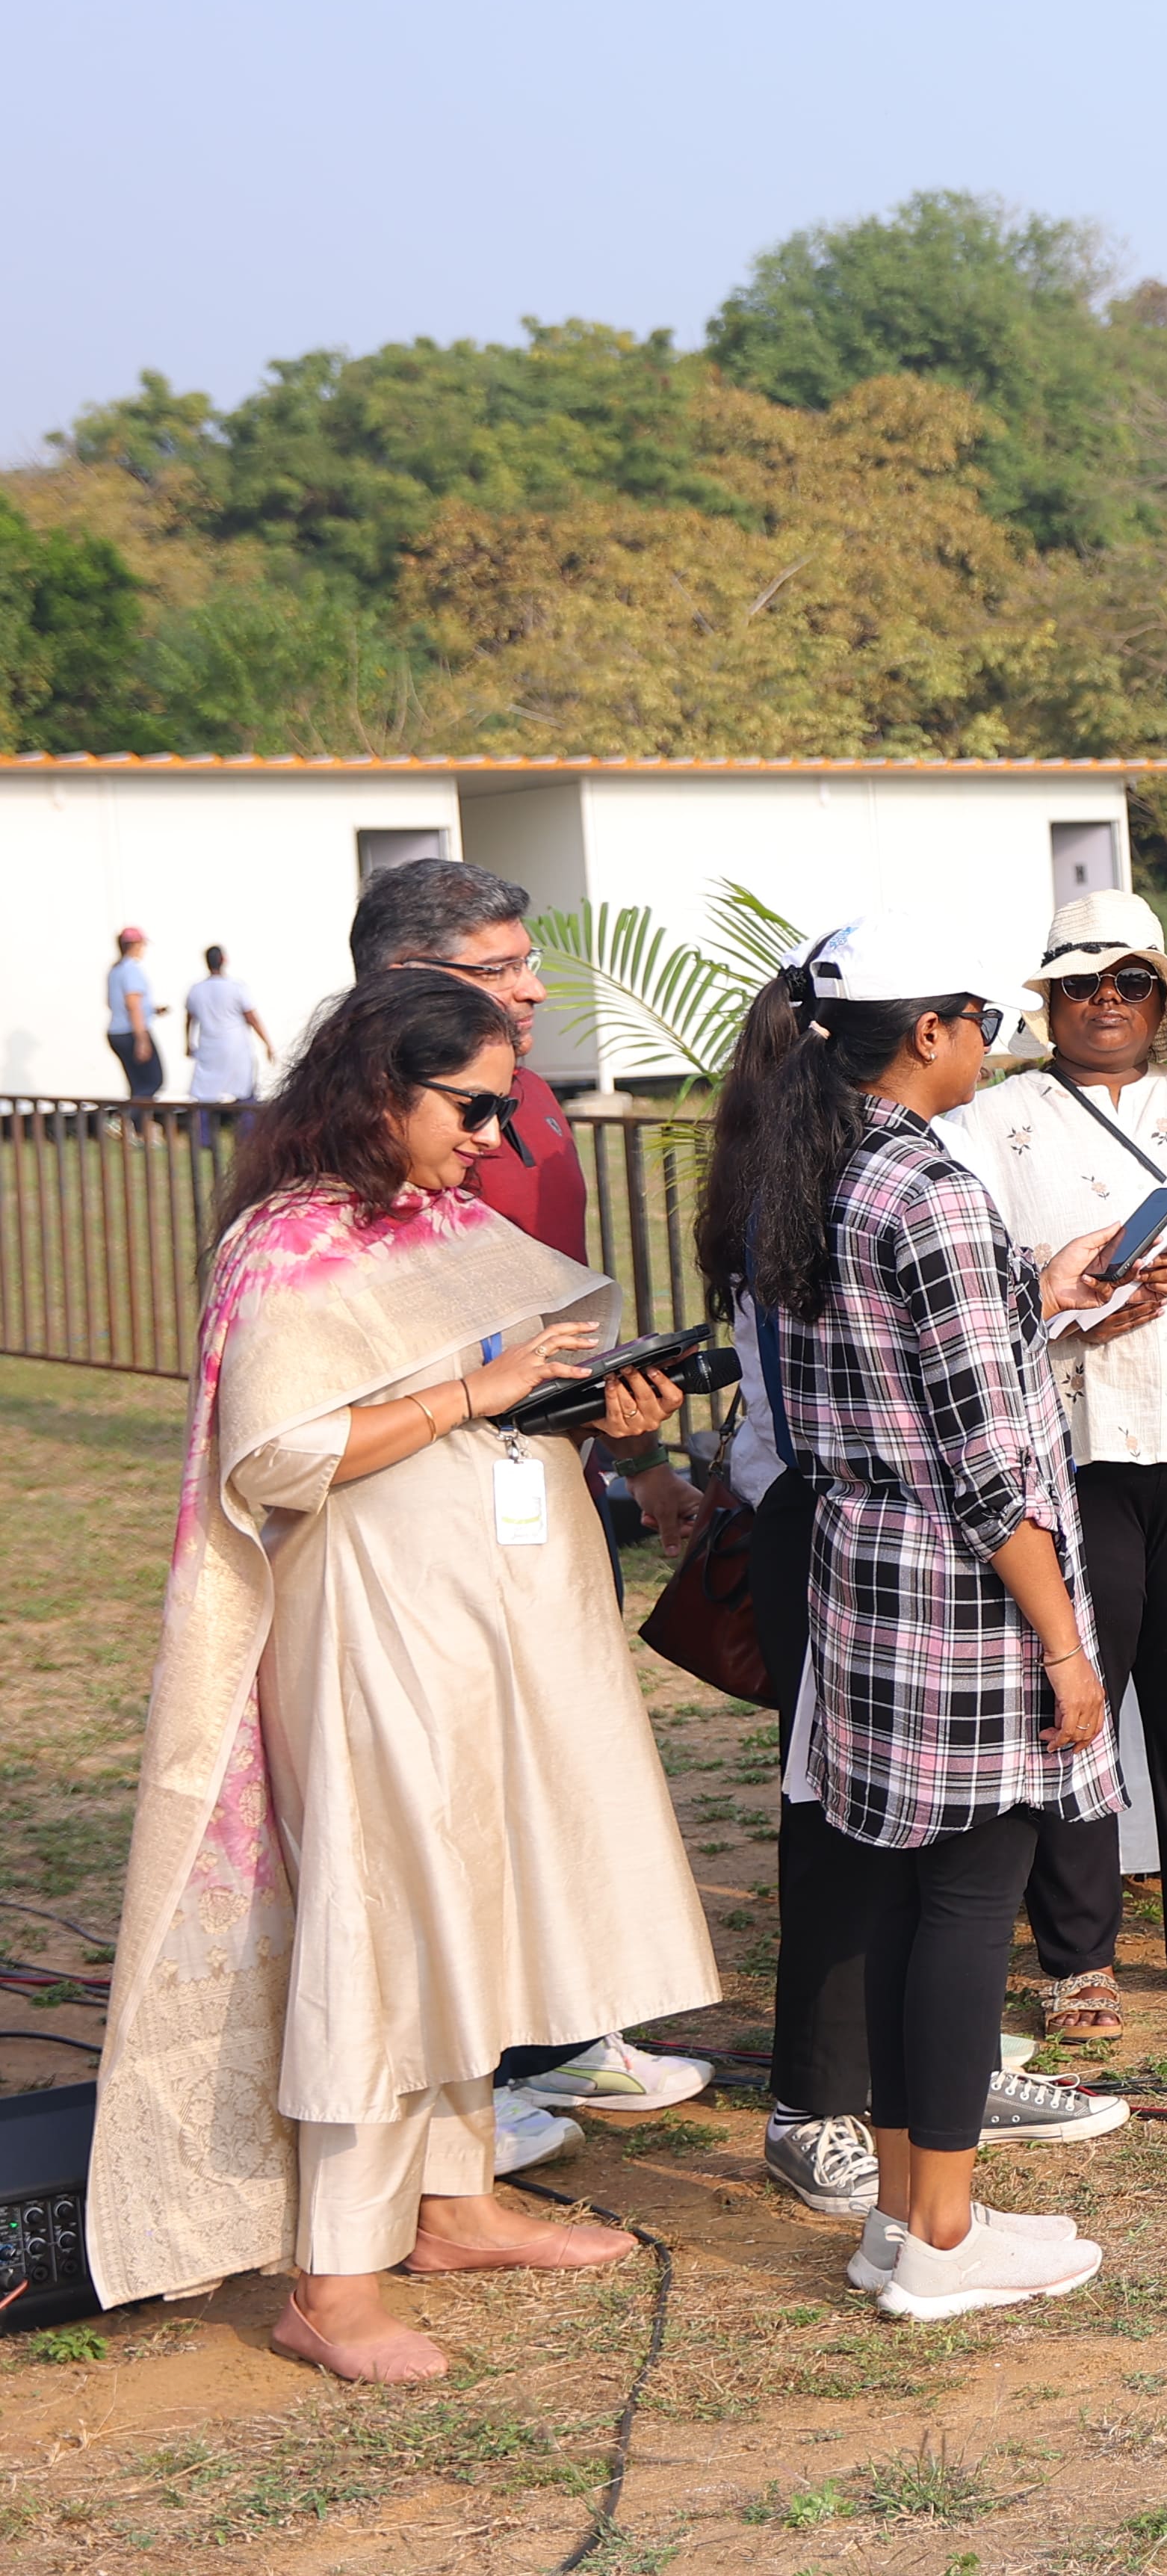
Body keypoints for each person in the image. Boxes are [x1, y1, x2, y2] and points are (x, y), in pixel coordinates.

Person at [87, 967, 716, 2381]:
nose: (496, 1134)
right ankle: (332, 2279)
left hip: (495, 1625)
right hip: (370, 1626)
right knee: (379, 1911)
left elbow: (514, 1409)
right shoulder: (289, 1245)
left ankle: (453, 2201)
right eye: (472, 1107)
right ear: (382, 1089)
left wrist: (603, 1413)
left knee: (470, 1892)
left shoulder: (450, 1224)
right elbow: (277, 1457)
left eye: (507, 1109)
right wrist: (474, 1392)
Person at [750, 913, 1134, 2321]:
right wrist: (1065, 1645)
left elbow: (897, 1373)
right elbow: (985, 1465)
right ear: (928, 1031)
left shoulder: (817, 1166)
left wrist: (1037, 1294)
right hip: (962, 1588)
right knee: (971, 1901)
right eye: (983, 1017)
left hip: (864, 1568)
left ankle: (907, 2215)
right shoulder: (932, 1189)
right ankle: (947, 2237)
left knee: (914, 1899)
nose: (993, 1040)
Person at [347, 854, 709, 2146]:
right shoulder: (347, 1147)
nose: (534, 988)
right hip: (423, 1512)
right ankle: (470, 2074)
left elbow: (560, 1311)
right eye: (499, 968)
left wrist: (639, 1453)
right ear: (407, 980)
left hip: (547, 1482)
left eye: (529, 962)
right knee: (455, 1785)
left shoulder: (531, 1098)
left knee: (555, 1760)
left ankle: (560, 2037)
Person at [946, 890, 1167, 2042]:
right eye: (1082, 983)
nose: (1107, 1001)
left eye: (1130, 981)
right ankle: (1077, 1953)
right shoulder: (991, 1122)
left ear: (1161, 996)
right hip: (1074, 1444)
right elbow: (971, 1285)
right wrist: (1075, 1307)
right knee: (1077, 1699)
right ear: (1048, 1000)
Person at [184, 942, 276, 1151]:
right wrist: (267, 1043)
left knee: (204, 1093)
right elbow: (251, 1017)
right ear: (224, 960)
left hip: (209, 1047)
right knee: (244, 1091)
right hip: (236, 1047)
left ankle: (204, 1138)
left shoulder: (196, 990)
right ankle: (247, 1136)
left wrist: (188, 1043)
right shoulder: (236, 988)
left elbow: (189, 1019)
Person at [105, 924, 163, 1105]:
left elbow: (112, 1003)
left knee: (138, 1084)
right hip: (131, 1031)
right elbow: (133, 1005)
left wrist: (151, 1010)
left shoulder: (115, 970)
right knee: (153, 1081)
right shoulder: (131, 970)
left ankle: (136, 1120)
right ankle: (128, 1115)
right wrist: (142, 1039)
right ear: (136, 945)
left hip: (116, 1032)